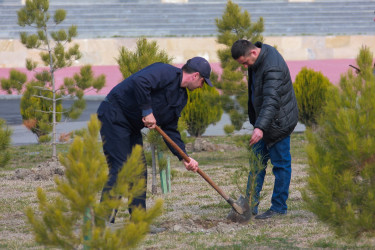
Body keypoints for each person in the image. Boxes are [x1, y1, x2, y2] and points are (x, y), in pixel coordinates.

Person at [97, 56, 213, 223]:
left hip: (131, 126)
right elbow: (139, 81)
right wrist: (147, 111)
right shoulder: (164, 71)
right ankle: (103, 222)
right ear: (195, 76)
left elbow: (170, 130)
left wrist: (184, 157)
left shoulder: (181, 98)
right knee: (121, 168)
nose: (202, 86)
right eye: (203, 81)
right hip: (113, 115)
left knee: (138, 171)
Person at [231, 40, 298, 219]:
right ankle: (250, 207)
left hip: (279, 123)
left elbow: (271, 100)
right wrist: (258, 124)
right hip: (264, 121)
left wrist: (260, 127)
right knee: (256, 164)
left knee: (281, 165)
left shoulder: (272, 66)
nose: (245, 66)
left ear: (253, 53)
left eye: (245, 62)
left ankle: (278, 208)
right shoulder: (257, 61)